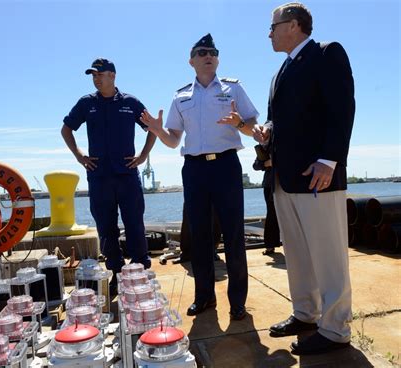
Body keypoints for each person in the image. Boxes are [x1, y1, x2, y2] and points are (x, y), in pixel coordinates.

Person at [253, 3, 355, 355]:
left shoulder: (327, 54)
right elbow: (278, 120)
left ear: (293, 25)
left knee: (328, 256)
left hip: (318, 176)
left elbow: (342, 109)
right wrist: (266, 132)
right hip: (285, 177)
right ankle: (306, 314)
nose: (269, 34)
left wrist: (329, 160)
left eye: (272, 27)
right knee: (296, 253)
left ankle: (336, 328)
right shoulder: (280, 71)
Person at [141, 34, 259, 321]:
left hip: (226, 166)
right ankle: (204, 297)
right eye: (202, 52)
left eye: (213, 52)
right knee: (200, 237)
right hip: (195, 170)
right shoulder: (181, 96)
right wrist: (157, 130)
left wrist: (239, 123)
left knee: (233, 235)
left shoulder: (234, 89)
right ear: (191, 61)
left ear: (217, 59)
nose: (209, 55)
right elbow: (173, 139)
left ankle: (237, 302)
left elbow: (252, 126)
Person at [61, 58, 156, 293]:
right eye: (93, 75)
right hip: (99, 177)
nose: (96, 78)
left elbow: (152, 128)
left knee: (134, 223)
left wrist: (143, 155)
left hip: (127, 176)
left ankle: (140, 271)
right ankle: (115, 272)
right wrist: (79, 156)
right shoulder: (86, 104)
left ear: (112, 75)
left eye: (100, 74)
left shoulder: (130, 102)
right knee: (106, 228)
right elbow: (66, 129)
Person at [252, 144, 281, 255]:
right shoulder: (266, 147)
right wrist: (266, 163)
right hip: (270, 184)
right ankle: (270, 246)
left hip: (288, 183)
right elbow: (255, 165)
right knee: (271, 214)